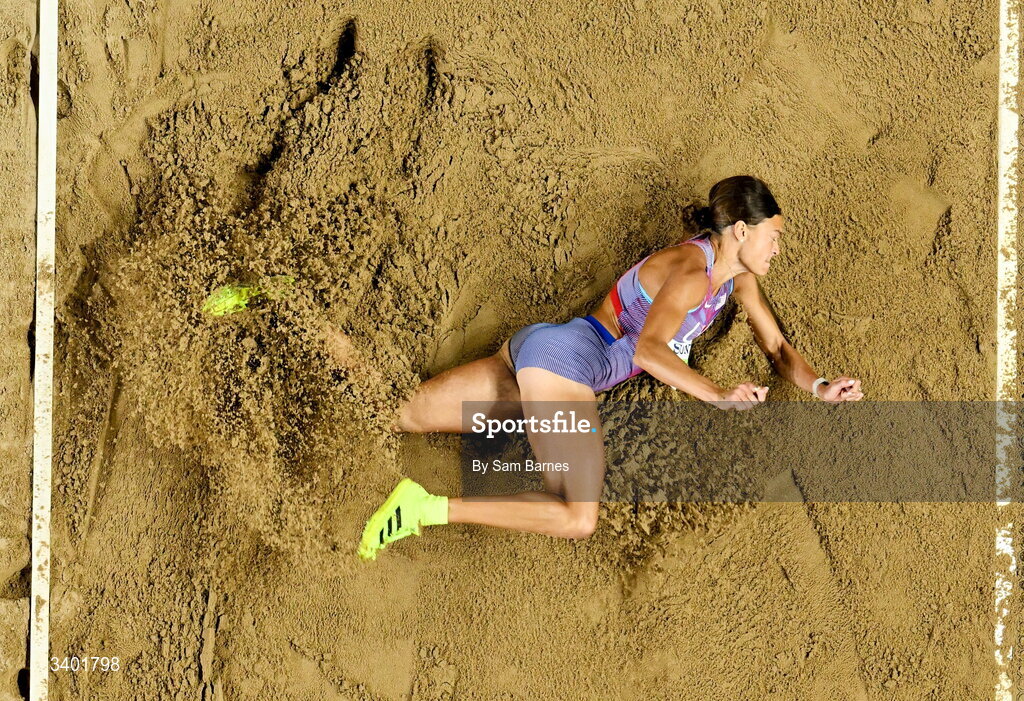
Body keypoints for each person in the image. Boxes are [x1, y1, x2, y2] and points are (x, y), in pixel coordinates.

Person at [341, 175, 864, 560]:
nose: (779, 246)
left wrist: (820, 385)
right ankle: (425, 508)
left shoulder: (735, 280)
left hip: (542, 352)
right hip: (569, 363)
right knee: (578, 514)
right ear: (743, 232)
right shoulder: (690, 274)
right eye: (775, 234)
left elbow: (777, 349)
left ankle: (288, 313)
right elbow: (647, 353)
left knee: (400, 413)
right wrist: (717, 394)